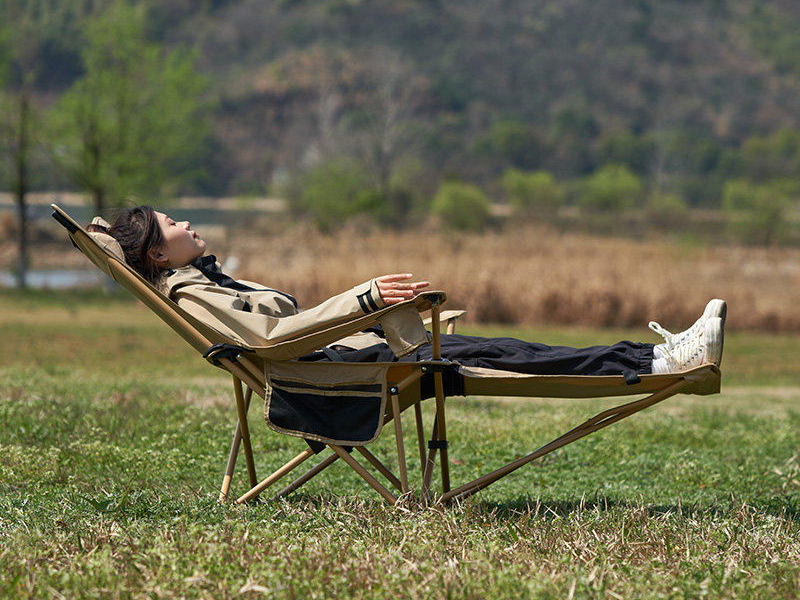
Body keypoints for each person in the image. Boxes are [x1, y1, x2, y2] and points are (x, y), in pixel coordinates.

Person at [87, 205, 726, 377]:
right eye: (173, 224)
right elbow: (277, 340)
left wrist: (378, 310)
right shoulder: (193, 294)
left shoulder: (203, 279)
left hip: (358, 353)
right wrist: (367, 300)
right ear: (157, 253)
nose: (187, 224)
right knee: (508, 357)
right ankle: (662, 362)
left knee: (510, 349)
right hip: (349, 371)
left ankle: (657, 357)